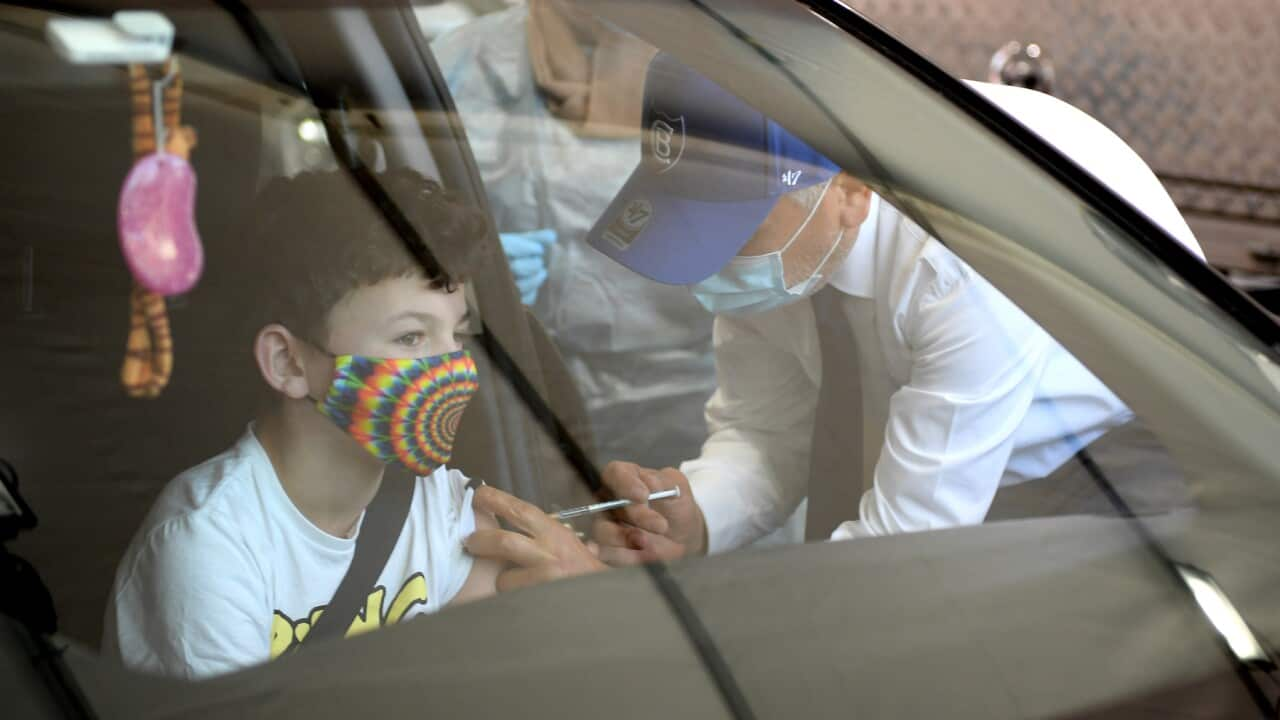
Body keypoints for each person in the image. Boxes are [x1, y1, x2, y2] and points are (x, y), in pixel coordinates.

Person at [576, 54, 1204, 563]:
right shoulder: (796, 233)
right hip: (957, 470)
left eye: (733, 233)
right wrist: (697, 517)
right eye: (693, 230)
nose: (711, 264)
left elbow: (906, 546)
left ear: (849, 188)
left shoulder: (964, 255)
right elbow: (769, 432)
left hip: (1125, 462)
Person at [102, 170, 508, 679]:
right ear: (289, 363)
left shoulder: (446, 510)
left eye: (459, 337)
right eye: (410, 338)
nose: (455, 368)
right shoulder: (209, 544)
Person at [431, 0, 720, 472]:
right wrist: (462, 271)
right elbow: (398, 211)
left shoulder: (719, 65)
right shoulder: (467, 61)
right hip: (521, 381)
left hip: (695, 392)